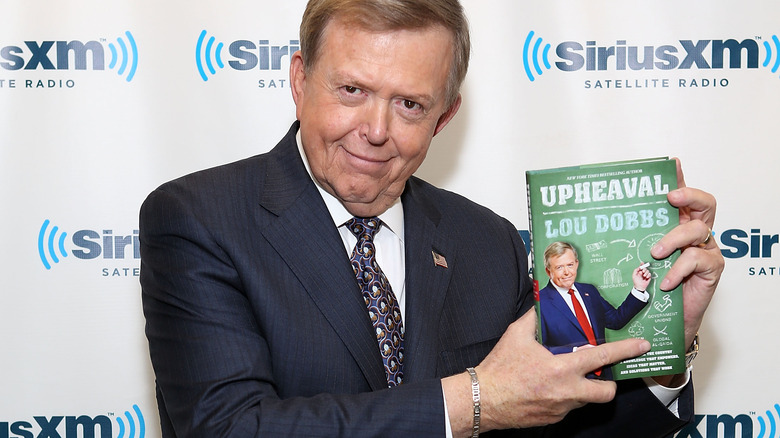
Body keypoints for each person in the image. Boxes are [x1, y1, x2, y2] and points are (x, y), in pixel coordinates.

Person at [139, 0, 725, 436]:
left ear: (444, 116)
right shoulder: (199, 219)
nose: (375, 129)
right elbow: (228, 429)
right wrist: (474, 400)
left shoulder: (486, 242)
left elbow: (557, 423)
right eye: (350, 90)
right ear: (298, 80)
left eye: (409, 104)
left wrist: (670, 339)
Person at [538, 241, 651, 378]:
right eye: (559, 267)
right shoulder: (540, 302)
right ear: (548, 271)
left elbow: (615, 321)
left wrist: (639, 288)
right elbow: (538, 351)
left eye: (570, 265)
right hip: (570, 381)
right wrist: (574, 351)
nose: (567, 272)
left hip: (605, 378)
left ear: (577, 264)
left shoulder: (589, 291)